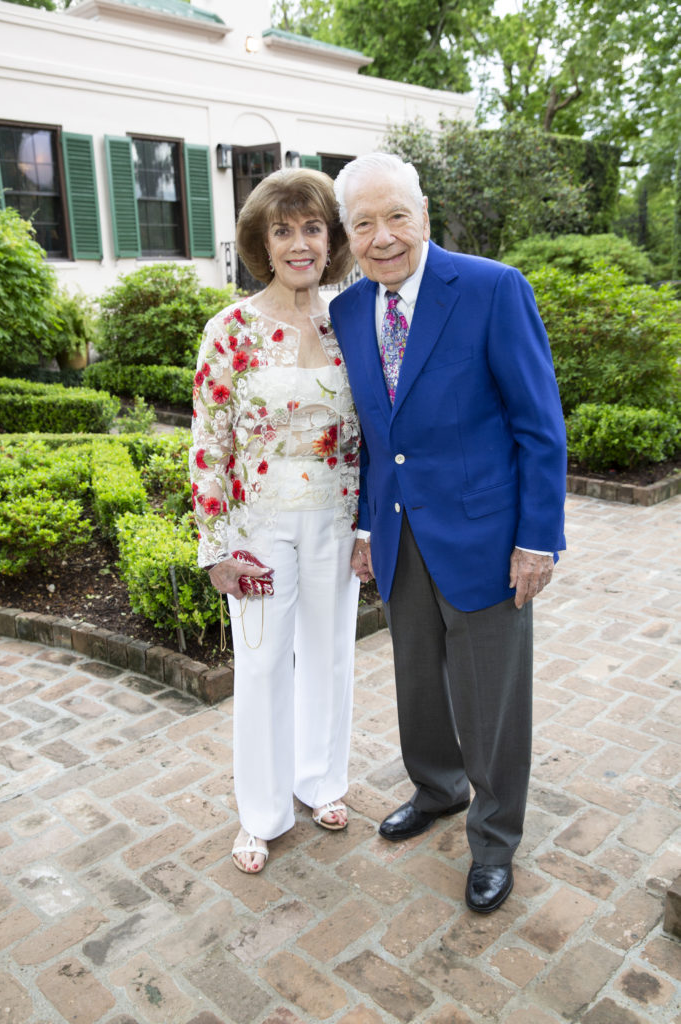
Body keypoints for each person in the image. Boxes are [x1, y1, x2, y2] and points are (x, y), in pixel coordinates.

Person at [330, 152, 567, 913]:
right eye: (362, 223)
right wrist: (367, 525)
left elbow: (538, 426)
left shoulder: (493, 289)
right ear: (347, 234)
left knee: (491, 701)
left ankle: (494, 838)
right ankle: (435, 788)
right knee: (415, 683)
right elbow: (375, 436)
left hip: (486, 537)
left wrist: (537, 538)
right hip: (400, 536)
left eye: (395, 215)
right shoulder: (346, 311)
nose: (382, 237)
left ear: (423, 215)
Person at [190, 168, 361, 874]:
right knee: (262, 667)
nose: (299, 243)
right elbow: (208, 444)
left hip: (337, 519)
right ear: (262, 244)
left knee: (330, 655)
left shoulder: (354, 320)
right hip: (258, 528)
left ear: (332, 239)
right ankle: (260, 814)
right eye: (282, 230)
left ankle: (319, 781)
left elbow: (380, 433)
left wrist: (369, 530)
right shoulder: (228, 330)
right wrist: (216, 547)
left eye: (312, 228)